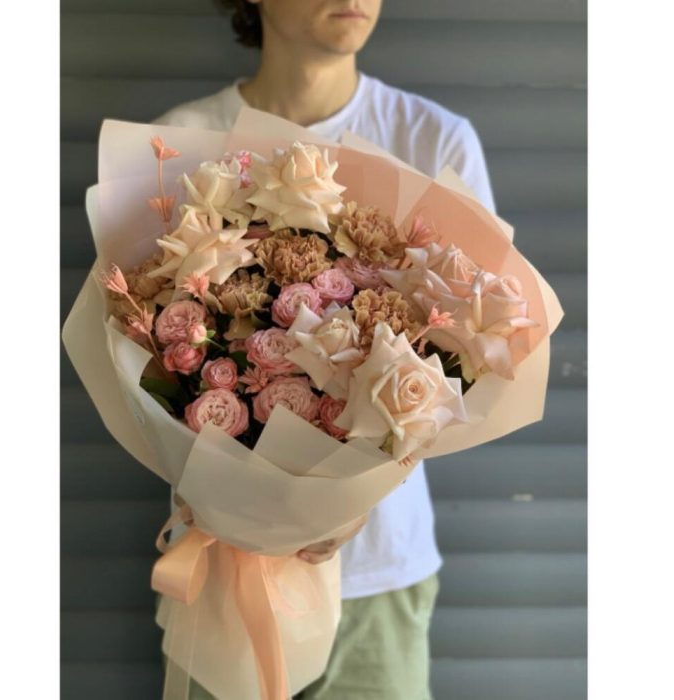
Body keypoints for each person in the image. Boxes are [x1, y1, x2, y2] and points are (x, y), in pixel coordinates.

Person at [153, 1, 496, 697]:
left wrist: (356, 495)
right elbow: (140, 344)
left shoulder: (432, 140)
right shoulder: (175, 145)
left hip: (379, 574)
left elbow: (482, 351)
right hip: (224, 563)